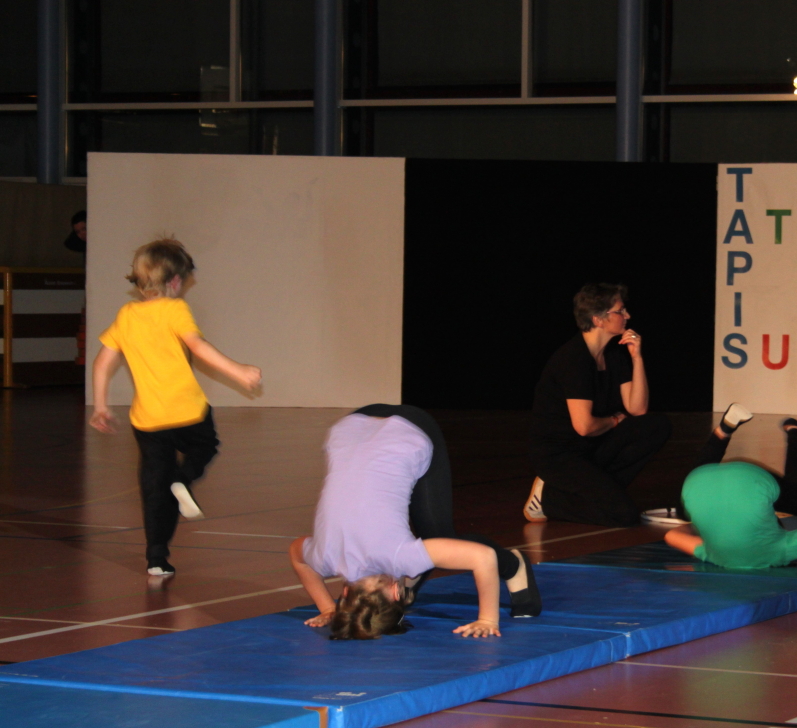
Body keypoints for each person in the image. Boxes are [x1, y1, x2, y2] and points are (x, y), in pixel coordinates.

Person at [289, 405, 540, 640]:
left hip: (411, 426)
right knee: (428, 541)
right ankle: (423, 561)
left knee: (439, 536)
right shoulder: (325, 557)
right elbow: (296, 555)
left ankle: (514, 565)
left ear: (396, 592)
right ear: (345, 592)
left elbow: (483, 557)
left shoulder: (399, 556)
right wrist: (327, 608)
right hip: (352, 423)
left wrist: (487, 619)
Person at [90, 239, 262, 576]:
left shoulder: (126, 315)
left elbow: (101, 363)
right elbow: (197, 346)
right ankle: (183, 478)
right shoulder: (175, 309)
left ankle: (156, 558)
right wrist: (238, 370)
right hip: (186, 411)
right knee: (205, 446)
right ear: (174, 281)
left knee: (155, 488)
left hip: (147, 419)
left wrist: (100, 406)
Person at [525, 283, 671, 527]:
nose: (627, 315)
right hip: (560, 456)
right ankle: (548, 499)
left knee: (657, 425)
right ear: (598, 319)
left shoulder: (613, 354)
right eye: (620, 311)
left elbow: (637, 409)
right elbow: (584, 426)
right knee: (624, 515)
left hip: (592, 447)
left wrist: (637, 357)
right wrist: (614, 421)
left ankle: (604, 490)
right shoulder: (574, 359)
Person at [664, 404, 797, 569]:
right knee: (684, 509)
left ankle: (796, 434)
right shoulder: (714, 555)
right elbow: (672, 536)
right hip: (700, 481)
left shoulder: (783, 551)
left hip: (749, 479)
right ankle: (722, 432)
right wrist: (707, 521)